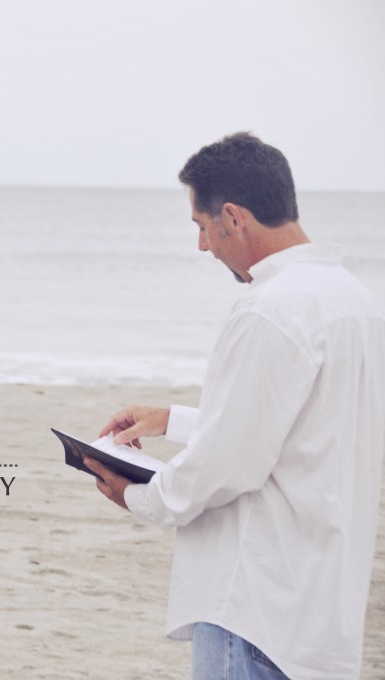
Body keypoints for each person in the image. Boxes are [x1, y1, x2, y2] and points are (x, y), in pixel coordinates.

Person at [84, 132, 385, 679]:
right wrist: (172, 421)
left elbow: (227, 464)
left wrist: (139, 497)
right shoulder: (356, 302)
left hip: (256, 609)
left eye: (202, 228)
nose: (203, 246)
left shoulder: (270, 308)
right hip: (321, 614)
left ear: (232, 217)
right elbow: (303, 433)